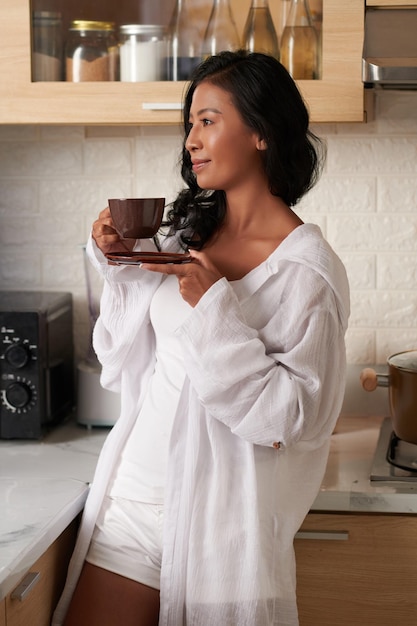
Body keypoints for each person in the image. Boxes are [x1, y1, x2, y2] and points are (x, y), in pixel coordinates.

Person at [53, 50, 350, 626]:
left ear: (261, 132)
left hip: (225, 527)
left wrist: (214, 307)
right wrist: (114, 258)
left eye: (208, 121)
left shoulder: (308, 271)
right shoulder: (183, 237)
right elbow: (119, 352)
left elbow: (292, 418)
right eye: (189, 123)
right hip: (135, 501)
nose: (191, 139)